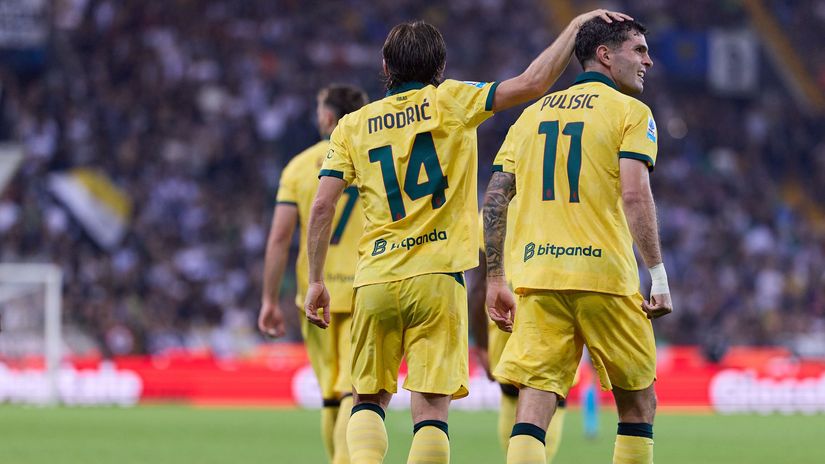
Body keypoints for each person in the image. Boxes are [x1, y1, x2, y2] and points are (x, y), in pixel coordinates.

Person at [303, 11, 631, 464]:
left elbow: (322, 206)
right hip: (439, 279)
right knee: (431, 412)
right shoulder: (453, 100)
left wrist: (316, 279)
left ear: (385, 67)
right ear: (440, 69)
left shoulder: (352, 126)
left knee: (367, 399)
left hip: (375, 277)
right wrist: (576, 28)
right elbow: (534, 82)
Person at [483, 18, 673, 464]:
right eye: (639, 50)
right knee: (638, 404)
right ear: (605, 55)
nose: (648, 60)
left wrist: (496, 277)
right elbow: (633, 193)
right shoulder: (632, 113)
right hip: (604, 275)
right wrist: (658, 273)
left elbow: (495, 198)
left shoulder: (531, 115)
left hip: (539, 275)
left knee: (534, 404)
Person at [258, 84, 368, 464]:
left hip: (315, 294)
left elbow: (279, 237)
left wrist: (269, 300)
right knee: (353, 392)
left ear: (325, 117)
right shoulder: (376, 154)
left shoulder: (299, 167)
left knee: (330, 395)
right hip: (363, 290)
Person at [468, 208, 569, 463]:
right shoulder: (563, 204)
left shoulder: (492, 213)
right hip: (554, 315)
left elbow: (479, 288)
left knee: (511, 393)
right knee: (552, 393)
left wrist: (482, 344)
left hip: (507, 320)